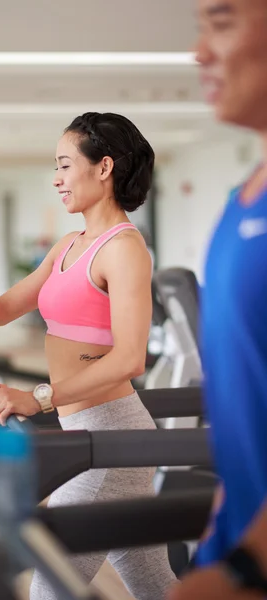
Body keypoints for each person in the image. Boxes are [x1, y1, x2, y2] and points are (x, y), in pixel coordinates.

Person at [0, 112, 176, 600]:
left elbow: (131, 358)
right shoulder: (69, 246)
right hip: (88, 431)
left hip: (113, 436)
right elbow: (5, 307)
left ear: (104, 167)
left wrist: (39, 397)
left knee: (51, 587)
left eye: (65, 165)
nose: (56, 178)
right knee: (154, 586)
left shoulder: (125, 249)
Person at [170, 1, 267, 599]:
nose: (200, 51)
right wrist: (221, 534)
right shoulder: (239, 205)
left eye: (222, 22)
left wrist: (244, 571)